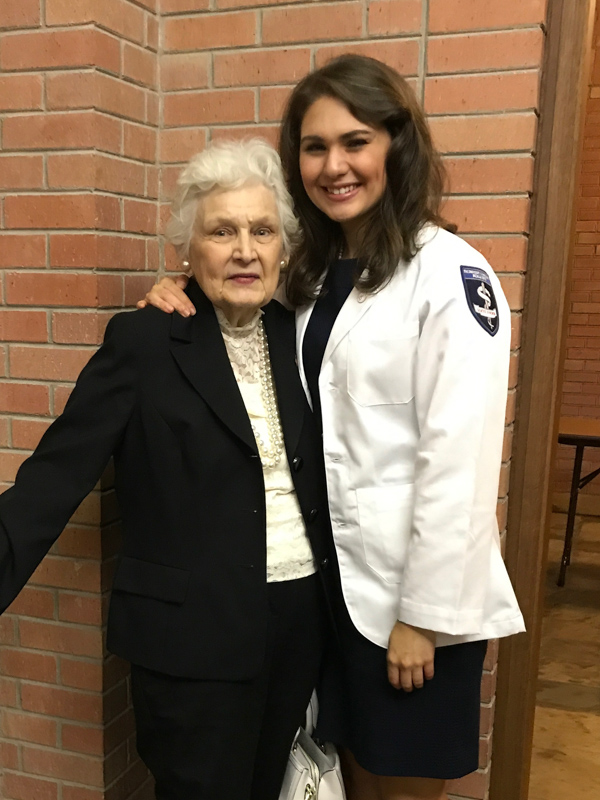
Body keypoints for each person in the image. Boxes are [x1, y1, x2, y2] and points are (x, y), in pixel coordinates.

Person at [140, 55, 525, 800]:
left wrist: (423, 621)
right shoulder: (314, 275)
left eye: (355, 141)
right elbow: (235, 278)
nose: (334, 165)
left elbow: (461, 467)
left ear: (396, 145)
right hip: (339, 603)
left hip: (416, 613)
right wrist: (177, 285)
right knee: (345, 783)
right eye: (314, 148)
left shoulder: (450, 276)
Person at [0, 140, 335, 800]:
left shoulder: (297, 334)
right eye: (222, 231)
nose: (245, 249)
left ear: (284, 249)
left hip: (299, 626)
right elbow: (54, 476)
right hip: (190, 644)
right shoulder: (145, 342)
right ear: (187, 250)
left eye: (262, 230)